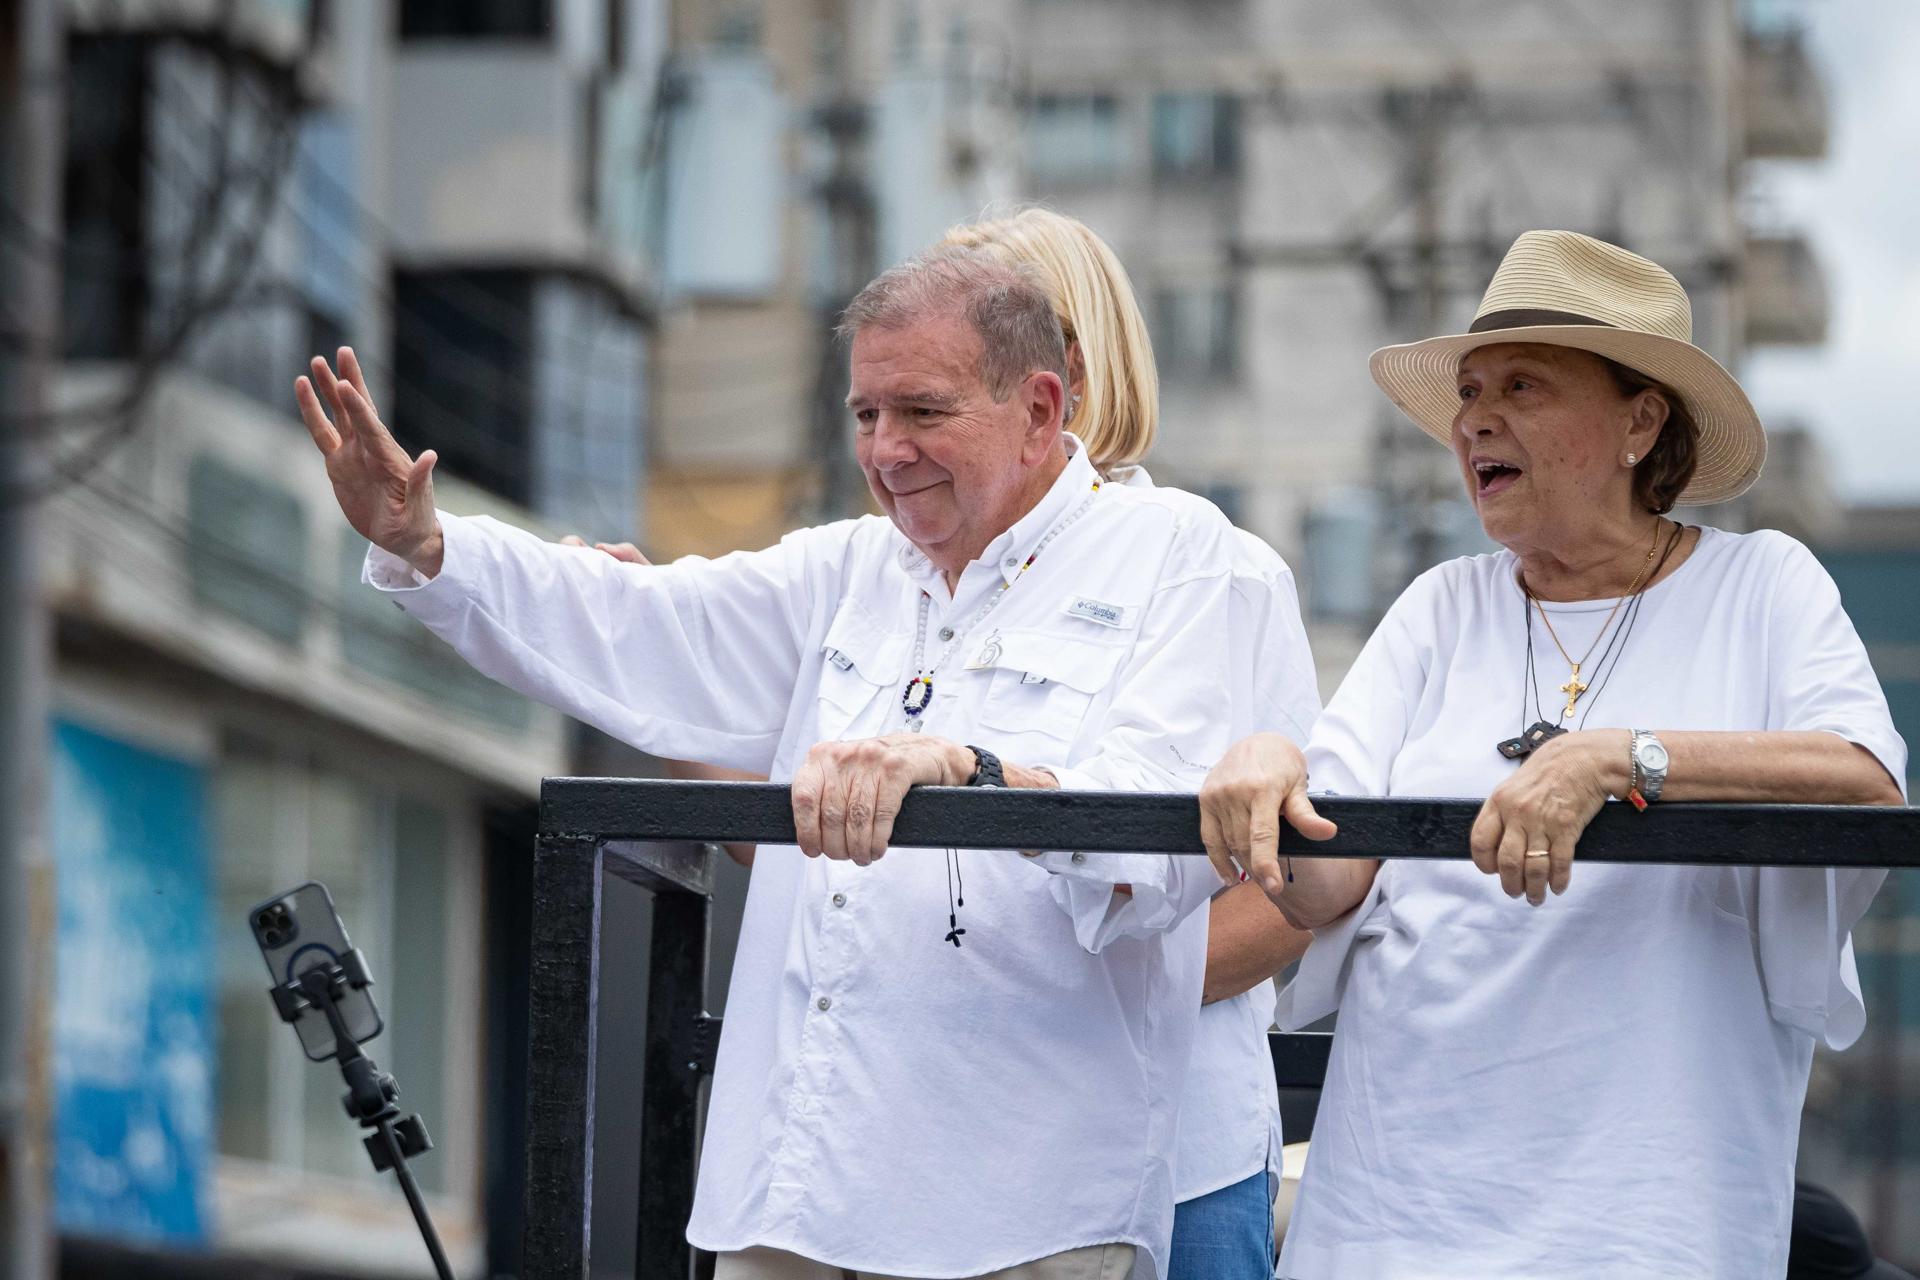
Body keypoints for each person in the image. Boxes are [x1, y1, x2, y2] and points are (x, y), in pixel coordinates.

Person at [297, 248, 1281, 1280]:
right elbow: (643, 621)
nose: (887, 450)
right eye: (865, 416)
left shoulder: (1184, 556)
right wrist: (430, 542)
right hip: (793, 1195)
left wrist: (970, 774)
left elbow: (1162, 841)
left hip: (1019, 1207)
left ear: (1041, 408)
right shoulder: (848, 567)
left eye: (923, 412)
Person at [569, 206, 1320, 1279]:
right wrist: (674, 701)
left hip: (1170, 1141)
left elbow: (1286, 886)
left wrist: (1065, 982)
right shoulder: (904, 576)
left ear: (1060, 364)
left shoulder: (1208, 565)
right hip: (924, 1152)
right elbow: (828, 867)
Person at [1196, 230, 1908, 1277]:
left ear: (1640, 422)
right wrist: (1267, 773)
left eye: (1523, 386)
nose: (1475, 417)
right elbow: (1325, 878)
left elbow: (1866, 780)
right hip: (1397, 1208)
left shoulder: (1765, 587)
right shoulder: (1442, 605)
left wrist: (1624, 758)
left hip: (1647, 1213)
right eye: (1470, 390)